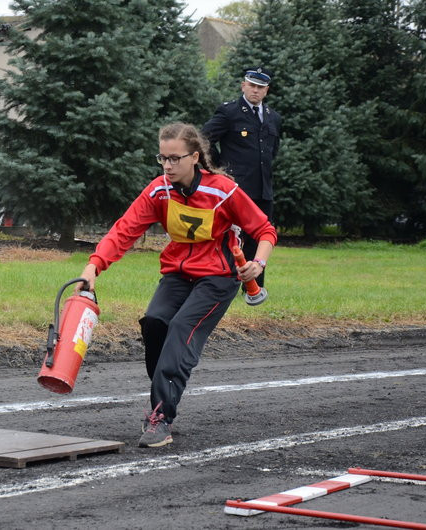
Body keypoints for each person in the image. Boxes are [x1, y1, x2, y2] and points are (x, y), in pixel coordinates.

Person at [77, 122, 277, 448]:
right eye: (162, 158)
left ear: (194, 157)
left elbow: (265, 230)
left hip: (217, 279)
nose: (167, 166)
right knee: (155, 323)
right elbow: (123, 231)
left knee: (182, 331)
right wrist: (93, 266)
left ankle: (160, 417)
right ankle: (164, 393)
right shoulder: (159, 191)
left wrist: (259, 263)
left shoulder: (223, 190)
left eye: (175, 158)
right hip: (177, 275)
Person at [201, 67, 281, 288]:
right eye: (252, 85)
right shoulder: (229, 112)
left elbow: (272, 150)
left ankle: (254, 287)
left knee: (259, 237)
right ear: (243, 86)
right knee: (231, 238)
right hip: (235, 187)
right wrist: (219, 168)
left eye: (260, 87)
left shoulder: (274, 117)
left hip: (263, 188)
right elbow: (203, 140)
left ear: (267, 90)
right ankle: (224, 283)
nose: (255, 91)